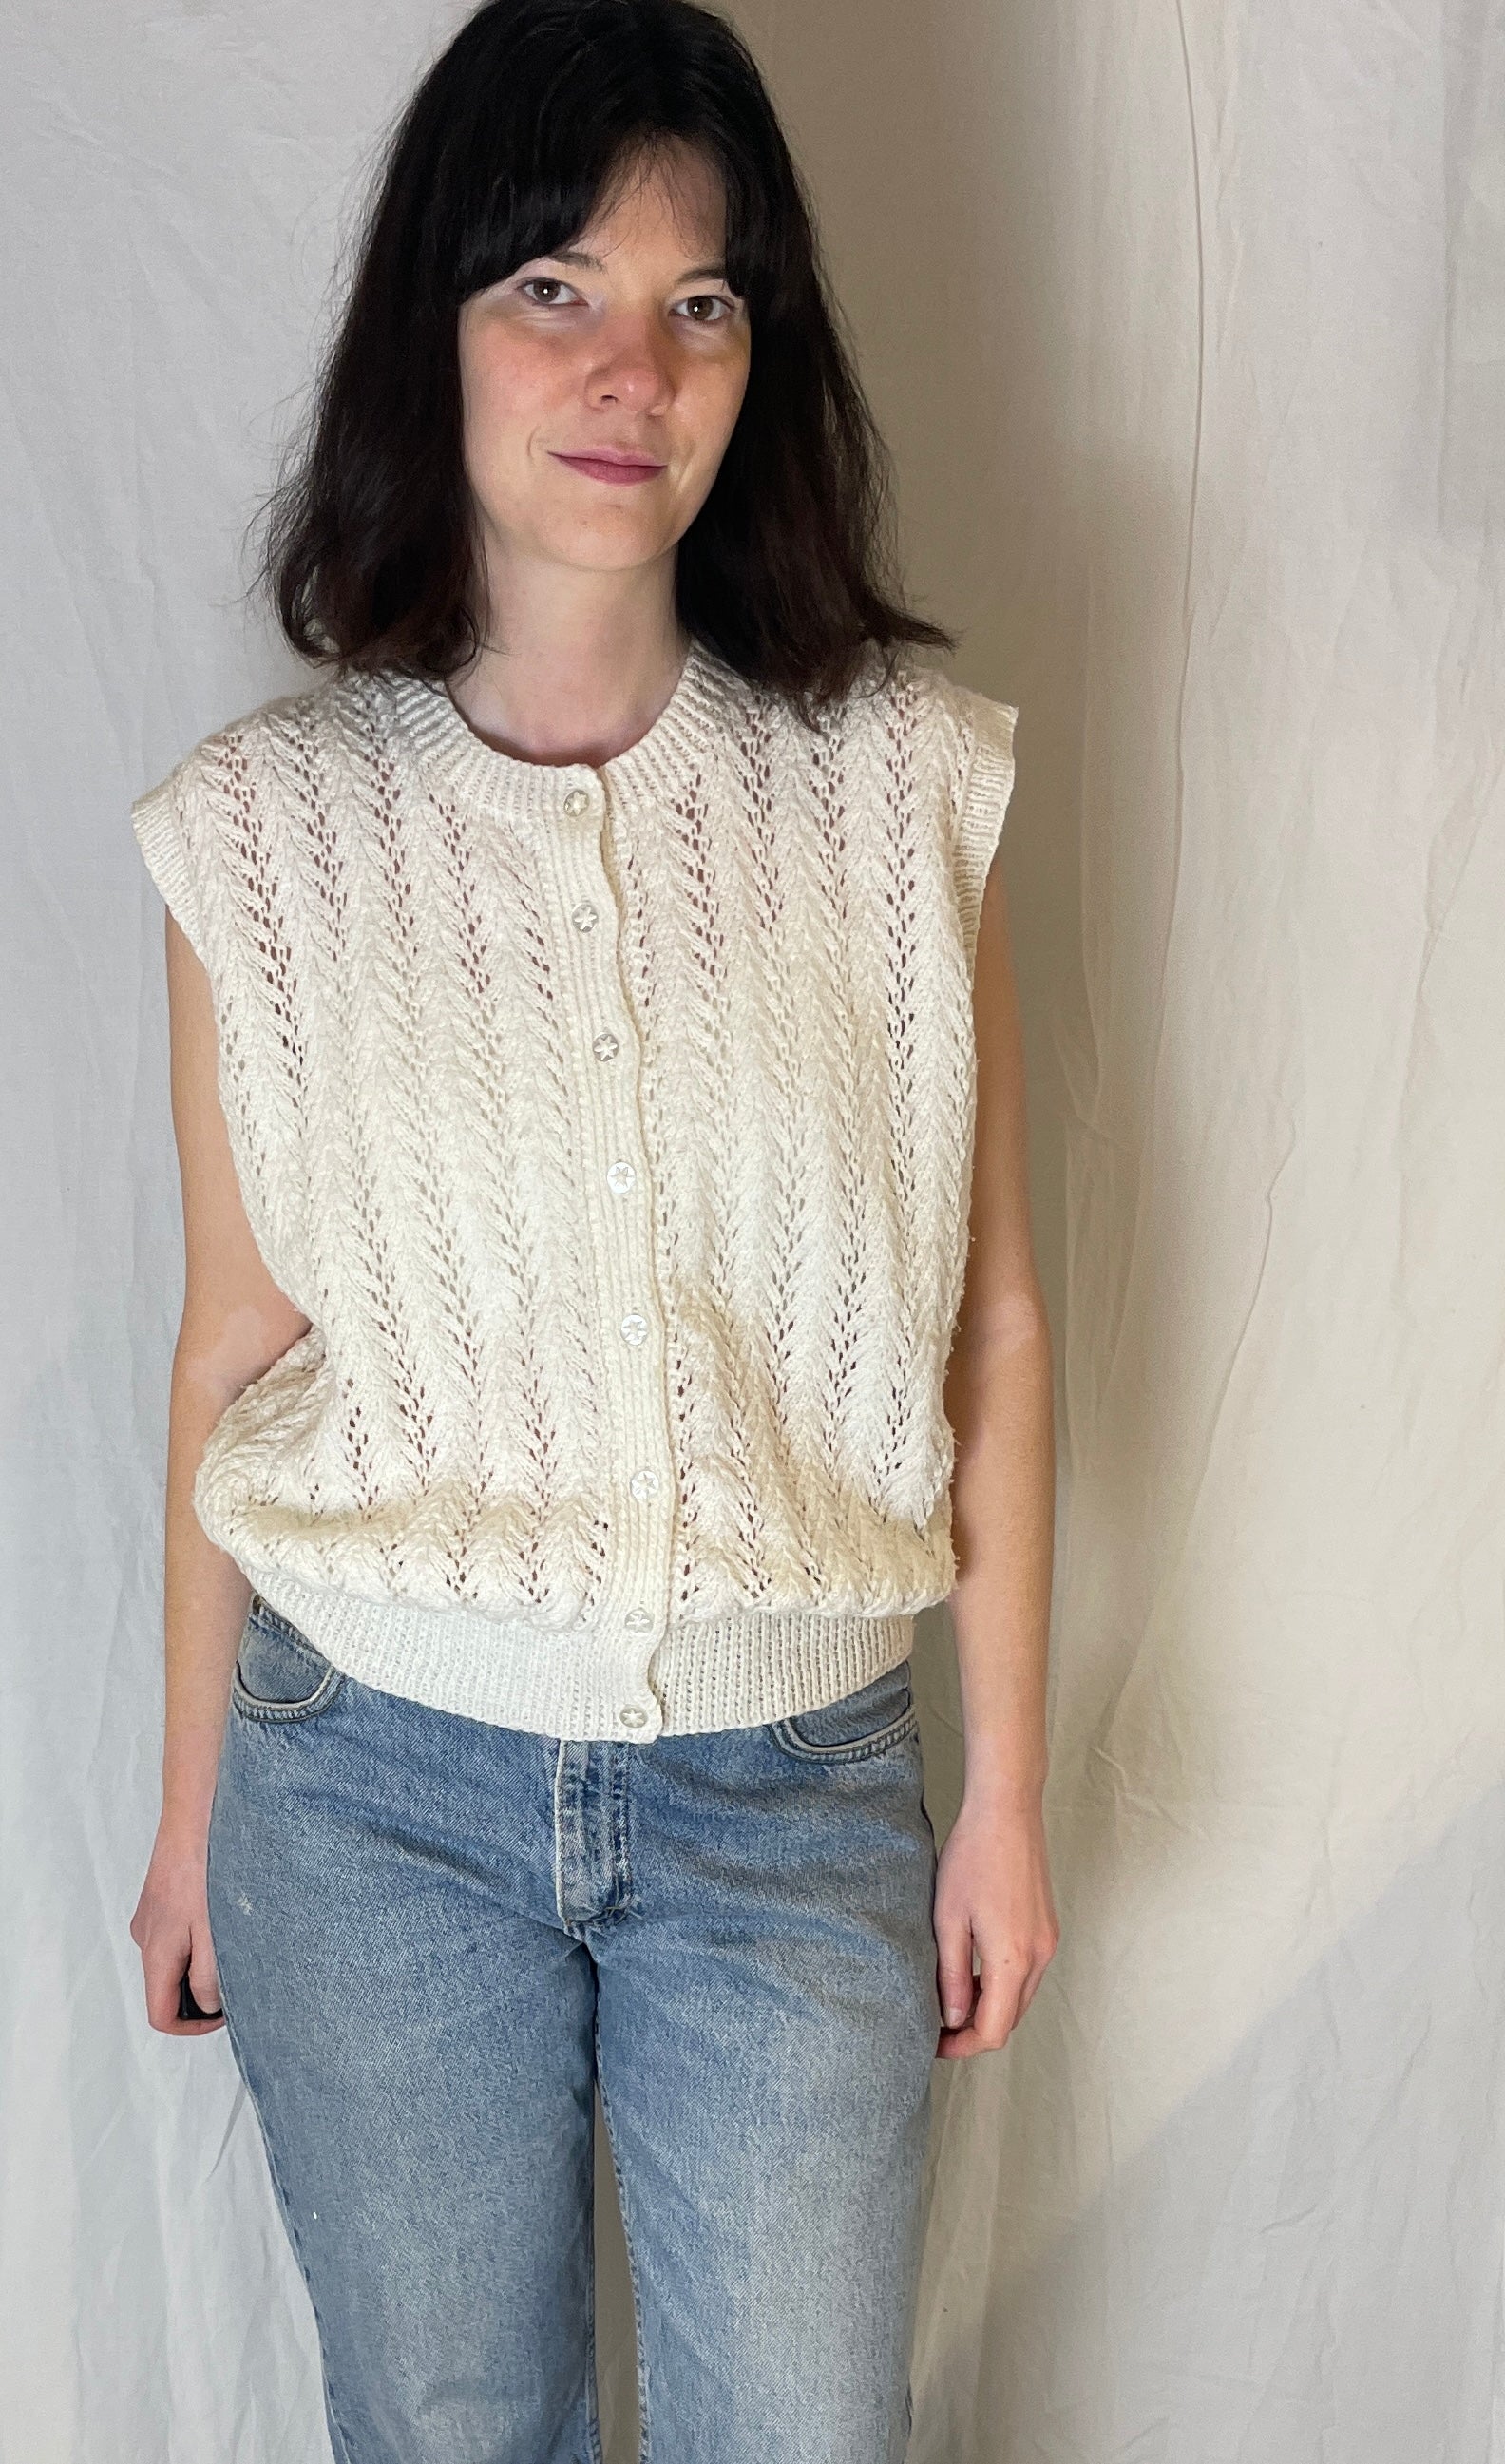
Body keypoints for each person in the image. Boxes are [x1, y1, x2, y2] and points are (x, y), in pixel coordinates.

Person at [126, 2, 1059, 2456]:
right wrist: (186, 1812)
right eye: (554, 286)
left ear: (762, 359)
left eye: (698, 300)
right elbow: (233, 1347)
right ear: (434, 326)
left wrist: (1005, 1791)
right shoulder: (266, 838)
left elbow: (992, 1324)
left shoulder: (898, 797)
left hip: (795, 1792)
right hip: (366, 1792)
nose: (631, 368)